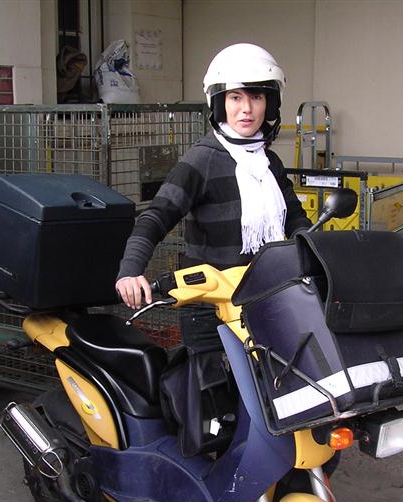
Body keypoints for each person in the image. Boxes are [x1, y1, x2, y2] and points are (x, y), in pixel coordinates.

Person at [115, 43, 312, 350]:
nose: (246, 109)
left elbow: (296, 217)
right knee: (214, 382)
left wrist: (314, 252)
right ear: (219, 103)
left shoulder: (268, 163)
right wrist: (130, 271)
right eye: (235, 97)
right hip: (209, 309)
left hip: (265, 297)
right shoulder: (202, 160)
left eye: (256, 97)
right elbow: (156, 216)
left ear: (270, 104)